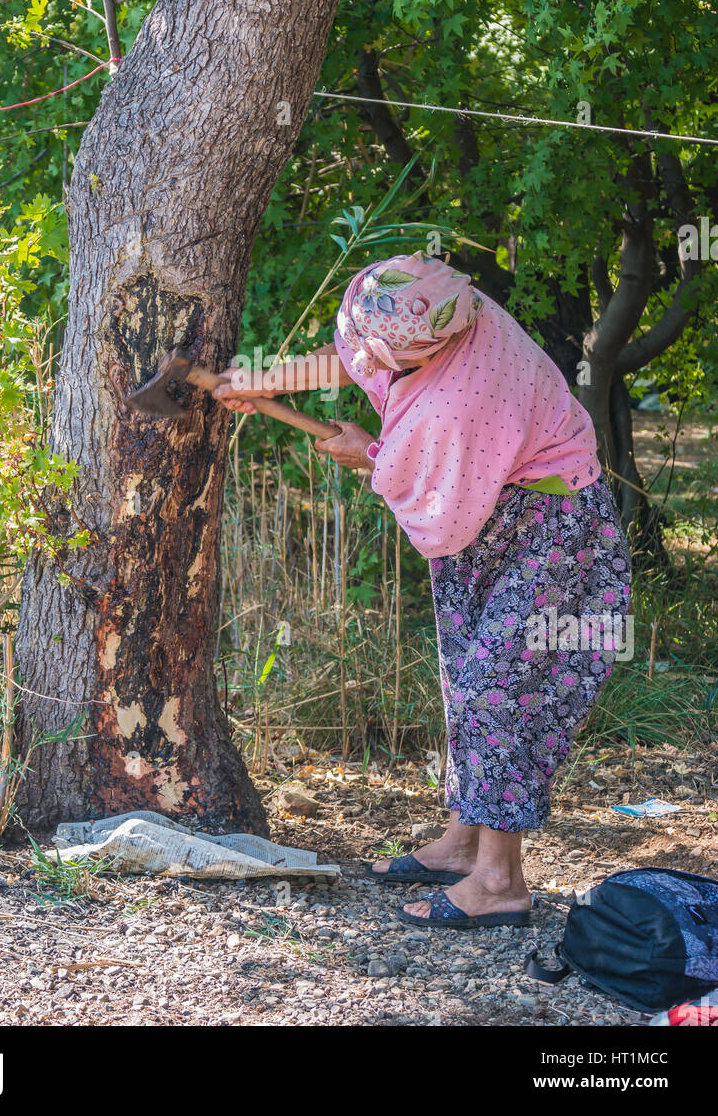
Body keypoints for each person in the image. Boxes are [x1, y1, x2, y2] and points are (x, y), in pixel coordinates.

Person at [213, 251, 631, 930]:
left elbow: (440, 509)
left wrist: (370, 455)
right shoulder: (438, 303)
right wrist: (266, 378)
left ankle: (499, 880)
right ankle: (462, 841)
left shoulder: (456, 402)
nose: (367, 362)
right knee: (465, 673)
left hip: (551, 527)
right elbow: (355, 354)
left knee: (502, 685)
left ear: (418, 352)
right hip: (492, 505)